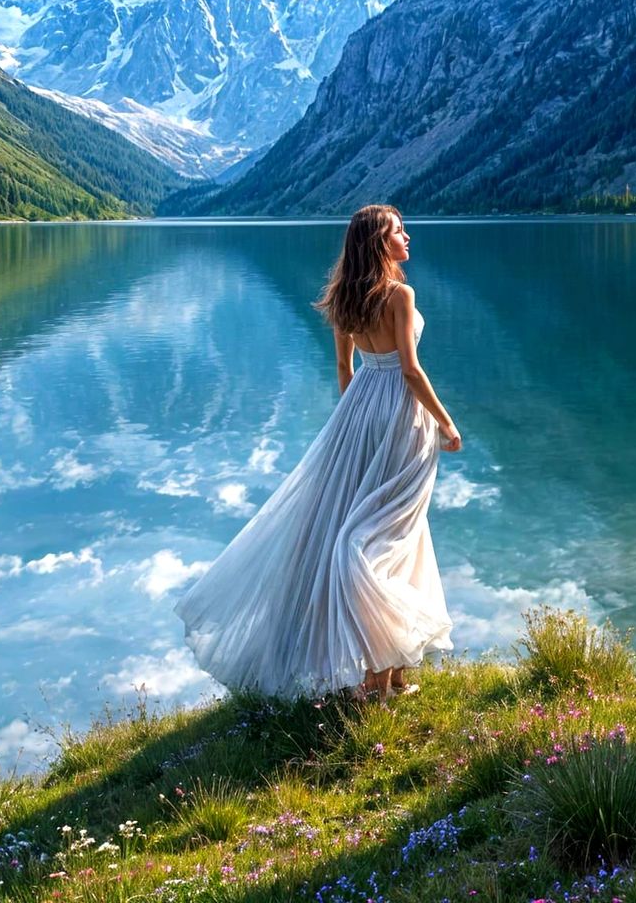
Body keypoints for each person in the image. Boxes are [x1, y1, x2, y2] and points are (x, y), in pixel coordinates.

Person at [175, 204, 461, 701]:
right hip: (399, 413)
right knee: (386, 531)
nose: (408, 237)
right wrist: (447, 423)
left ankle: (390, 673)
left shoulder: (344, 297)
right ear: (379, 242)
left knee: (381, 524)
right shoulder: (399, 294)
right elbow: (411, 372)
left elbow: (345, 371)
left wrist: (353, 423)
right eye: (399, 231)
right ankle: (376, 680)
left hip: (358, 412)